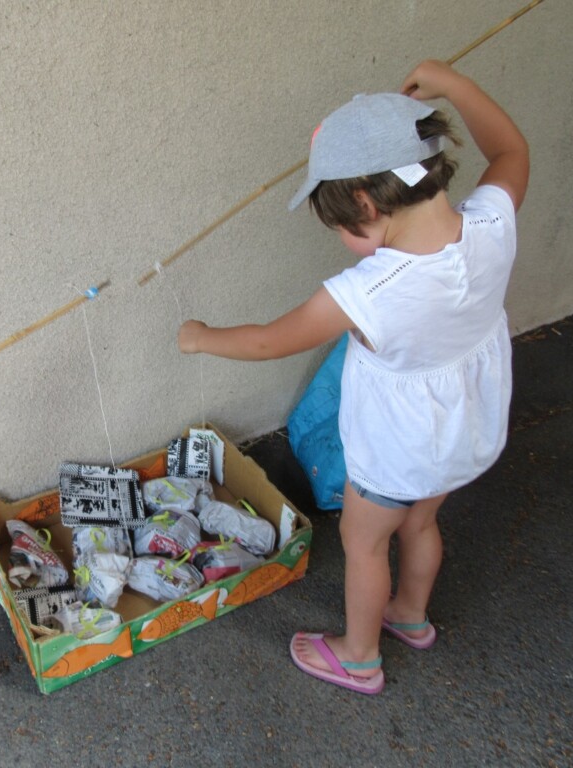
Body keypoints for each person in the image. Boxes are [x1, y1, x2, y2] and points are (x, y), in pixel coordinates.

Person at [178, 59, 529, 694]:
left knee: (364, 542)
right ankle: (410, 615)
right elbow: (510, 149)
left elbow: (268, 340)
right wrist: (456, 85)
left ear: (365, 203)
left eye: (340, 225)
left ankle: (359, 655)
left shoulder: (370, 290)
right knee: (420, 523)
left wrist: (201, 337)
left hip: (398, 449)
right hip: (463, 431)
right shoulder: (491, 222)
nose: (341, 235)